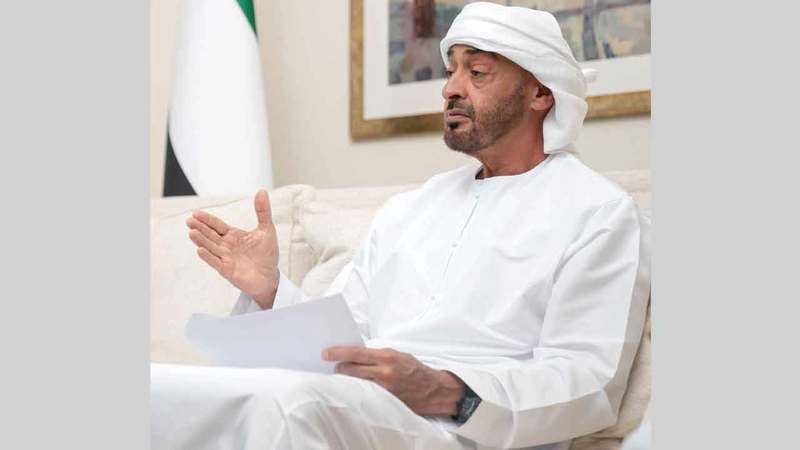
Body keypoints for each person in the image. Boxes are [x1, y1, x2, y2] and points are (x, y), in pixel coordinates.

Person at [151, 3, 651, 450]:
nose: (451, 88)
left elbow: (587, 379)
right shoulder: (412, 208)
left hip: (465, 429)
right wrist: (270, 289)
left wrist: (444, 390)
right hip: (359, 404)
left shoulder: (597, 212)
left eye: (477, 72)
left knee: (287, 403)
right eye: (451, 71)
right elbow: (344, 335)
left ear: (540, 92)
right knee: (159, 389)